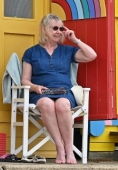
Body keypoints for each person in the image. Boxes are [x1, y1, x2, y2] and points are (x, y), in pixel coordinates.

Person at [21, 13, 97, 164]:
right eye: (54, 28)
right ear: (44, 30)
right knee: (47, 104)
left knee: (62, 104)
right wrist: (35, 87)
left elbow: (91, 55)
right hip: (40, 93)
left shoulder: (67, 50)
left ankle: (70, 150)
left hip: (64, 91)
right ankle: (60, 148)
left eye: (61, 29)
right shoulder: (31, 52)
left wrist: (75, 40)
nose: (58, 32)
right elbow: (25, 81)